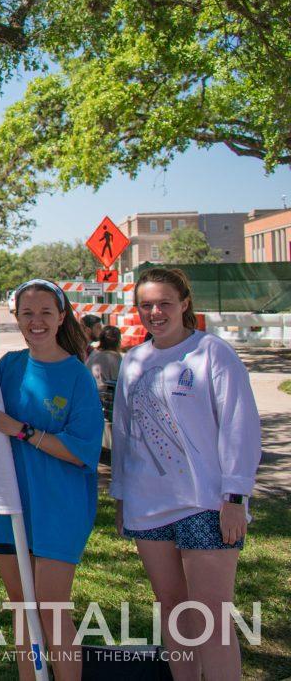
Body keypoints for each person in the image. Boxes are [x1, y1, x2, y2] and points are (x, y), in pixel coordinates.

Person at [110, 268, 260, 681]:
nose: (155, 312)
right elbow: (123, 434)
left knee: (211, 619)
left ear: (184, 304)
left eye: (164, 303)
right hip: (148, 505)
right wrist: (122, 497)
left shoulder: (212, 352)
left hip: (206, 504)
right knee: (174, 613)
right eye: (146, 305)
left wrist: (235, 496)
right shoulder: (133, 361)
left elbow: (239, 425)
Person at [0, 279, 103, 680]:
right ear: (17, 318)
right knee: (21, 605)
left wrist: (23, 431)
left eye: (46, 312)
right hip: (9, 504)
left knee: (51, 607)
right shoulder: (9, 365)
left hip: (59, 507)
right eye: (27, 313)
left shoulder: (77, 376)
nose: (37, 321)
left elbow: (83, 450)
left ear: (61, 316)